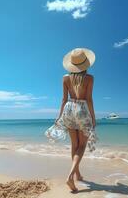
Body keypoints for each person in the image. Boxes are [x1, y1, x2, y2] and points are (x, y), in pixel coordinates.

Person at [45, 48, 97, 192]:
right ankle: (70, 176)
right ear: (85, 64)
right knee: (82, 146)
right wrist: (93, 117)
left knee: (75, 144)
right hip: (81, 110)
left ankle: (77, 174)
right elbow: (89, 100)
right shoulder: (89, 78)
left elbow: (63, 99)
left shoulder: (65, 78)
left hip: (68, 109)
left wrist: (59, 115)